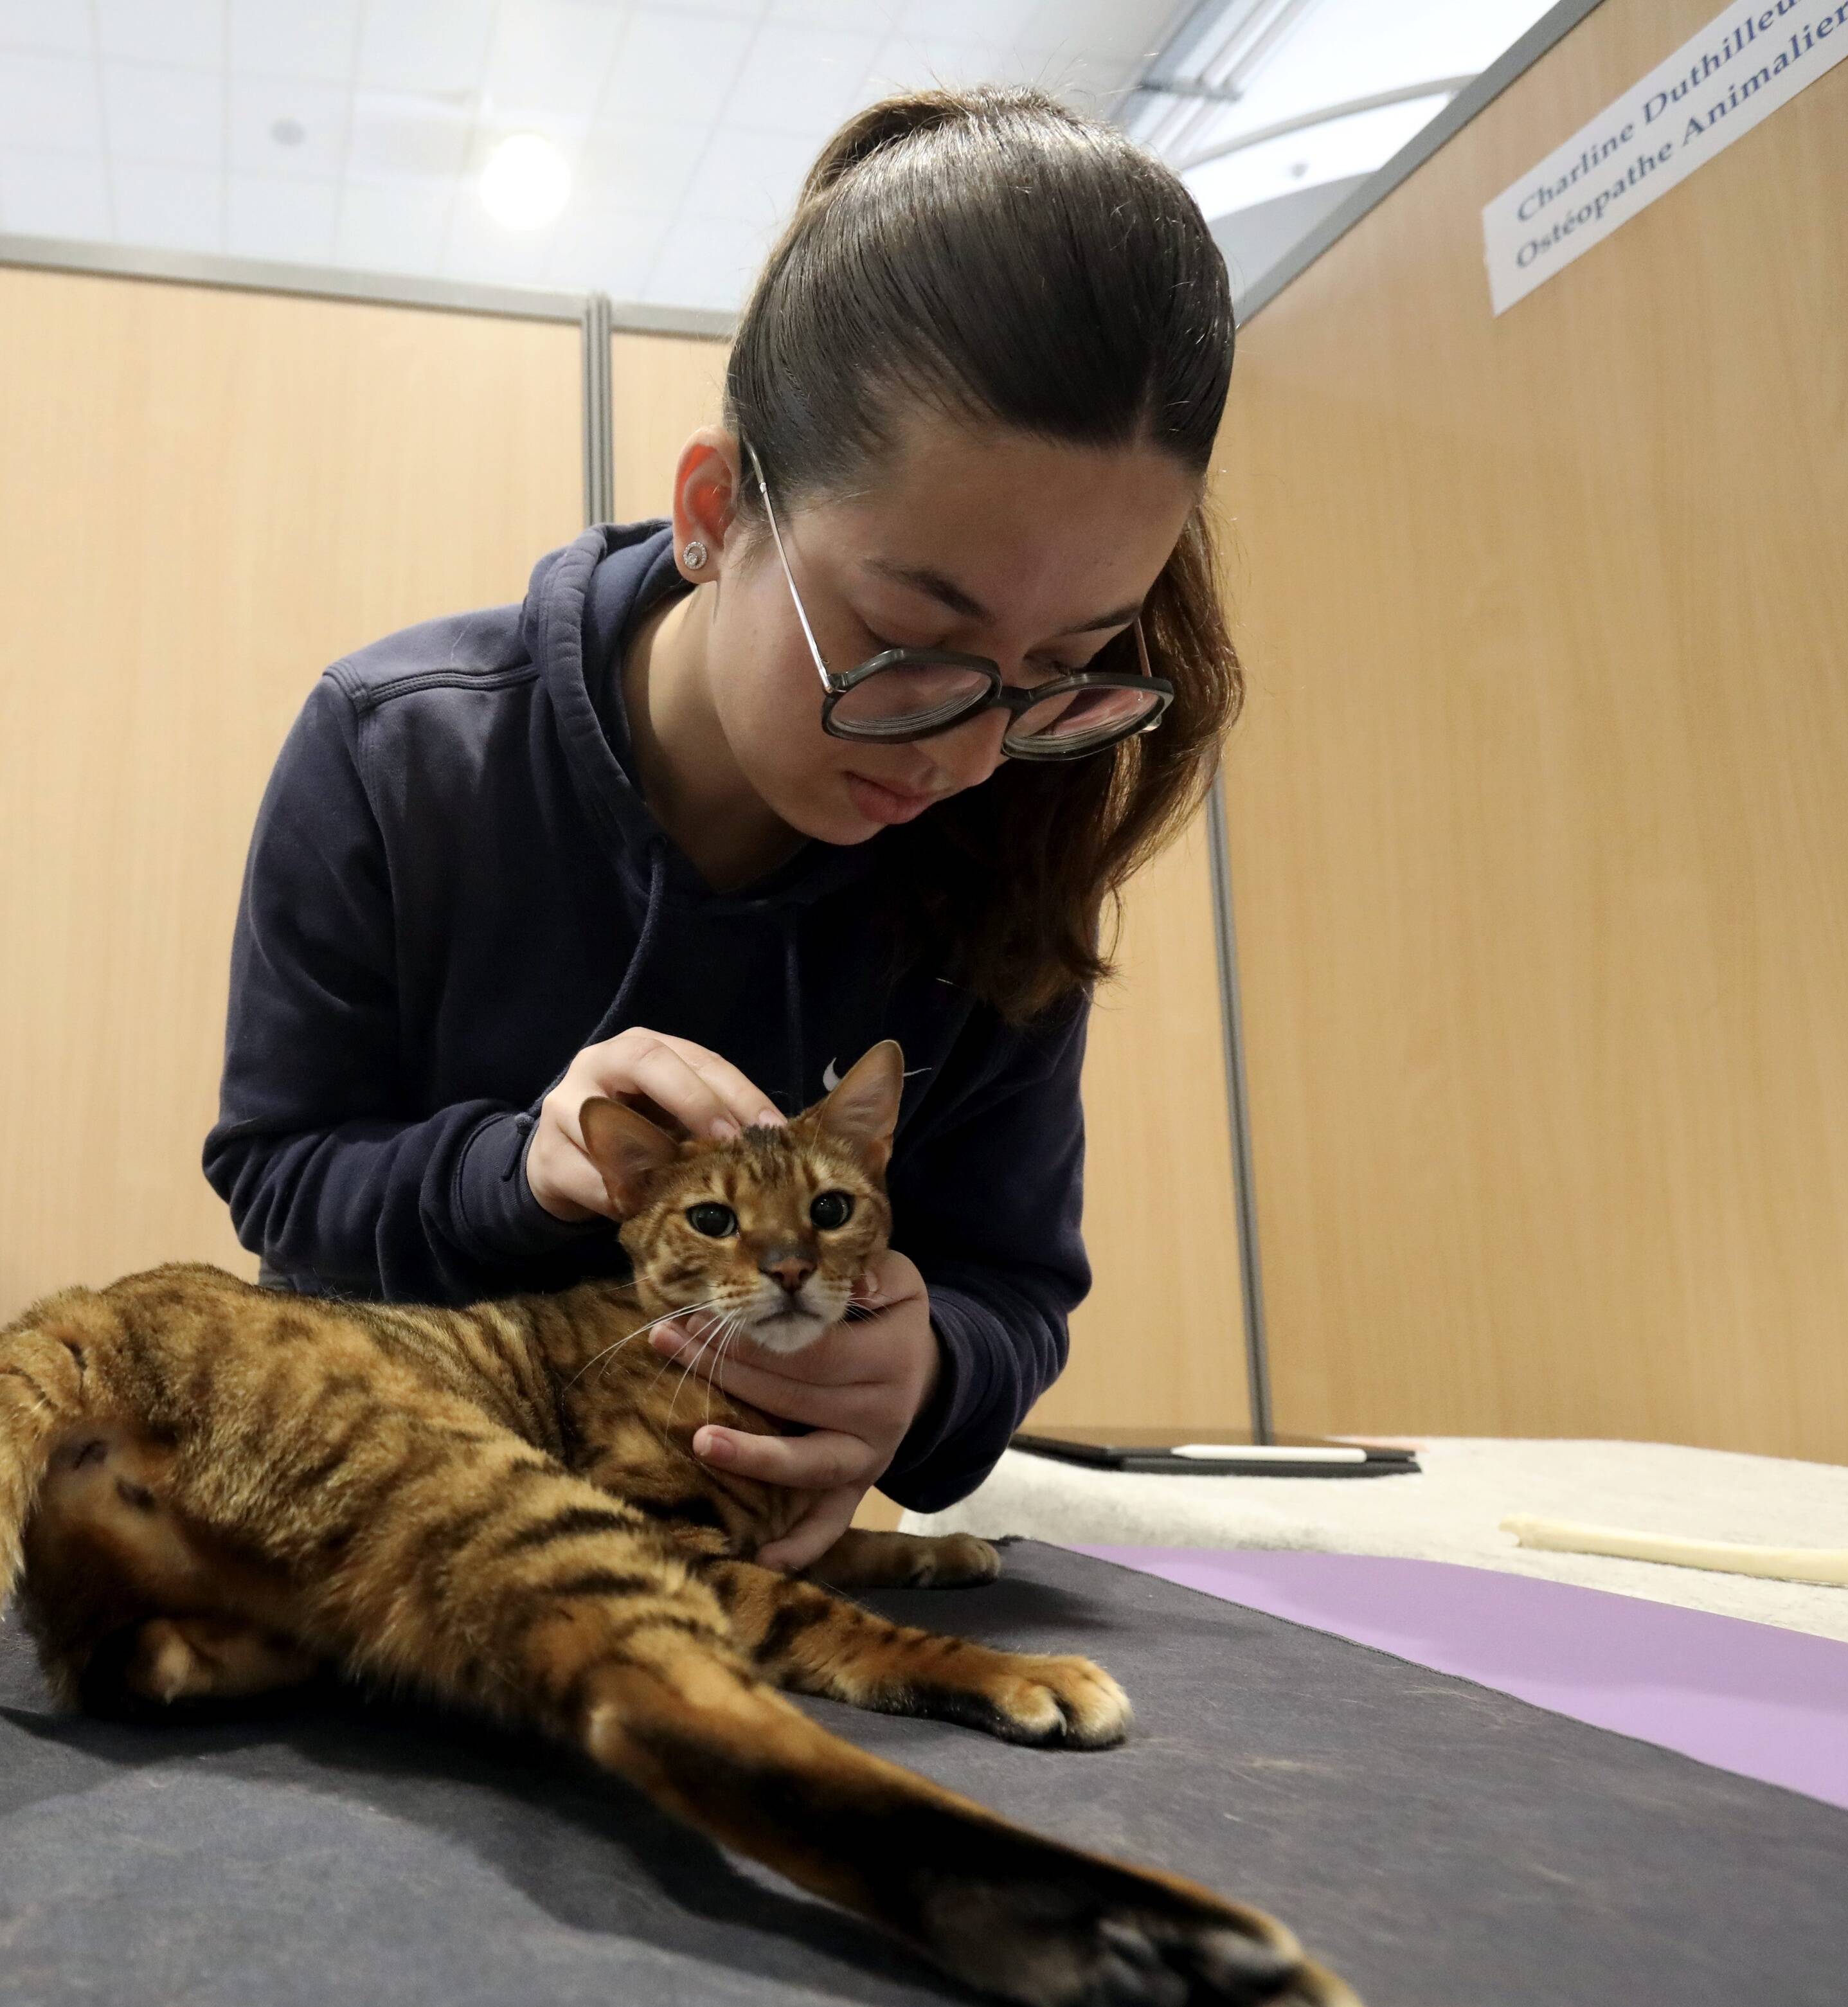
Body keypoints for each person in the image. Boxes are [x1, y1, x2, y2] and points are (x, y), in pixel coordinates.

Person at [203, 88, 1235, 1575]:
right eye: (905, 640)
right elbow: (283, 1181)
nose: (966, 753)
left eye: (1066, 668)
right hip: (383, 1556)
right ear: (711, 510)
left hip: (745, 1592)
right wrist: (519, 1167)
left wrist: (921, 1377)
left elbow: (1013, 1284)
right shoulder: (398, 750)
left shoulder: (1018, 830)